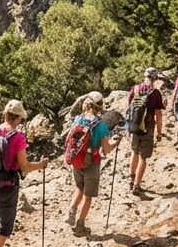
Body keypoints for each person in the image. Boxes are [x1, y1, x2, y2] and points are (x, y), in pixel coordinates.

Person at [0, 99, 49, 247]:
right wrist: (40, 165)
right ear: (18, 118)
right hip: (8, 184)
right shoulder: (18, 137)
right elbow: (24, 166)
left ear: (5, 114)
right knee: (7, 221)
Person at [67, 92, 120, 236]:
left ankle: (71, 210)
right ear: (100, 106)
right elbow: (107, 149)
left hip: (76, 160)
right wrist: (116, 141)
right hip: (92, 162)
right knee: (88, 195)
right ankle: (80, 226)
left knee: (79, 187)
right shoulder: (101, 125)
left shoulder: (78, 119)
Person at [126, 68, 164, 195]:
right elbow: (158, 114)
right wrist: (159, 132)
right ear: (154, 79)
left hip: (135, 127)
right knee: (143, 157)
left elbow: (130, 106)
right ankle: (137, 185)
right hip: (148, 128)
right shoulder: (156, 93)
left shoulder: (135, 89)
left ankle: (131, 178)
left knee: (134, 152)